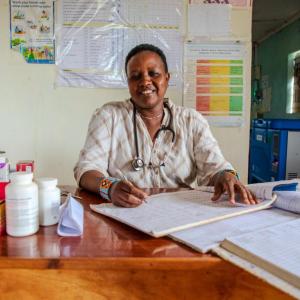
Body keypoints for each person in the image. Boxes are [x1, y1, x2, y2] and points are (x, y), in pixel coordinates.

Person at [74, 43, 257, 207]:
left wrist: (226, 175)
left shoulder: (191, 121)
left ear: (167, 78)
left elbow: (216, 168)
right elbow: (86, 170)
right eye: (135, 76)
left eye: (153, 74)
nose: (145, 81)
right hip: (126, 214)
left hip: (180, 215)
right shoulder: (108, 116)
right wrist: (110, 187)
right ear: (128, 83)